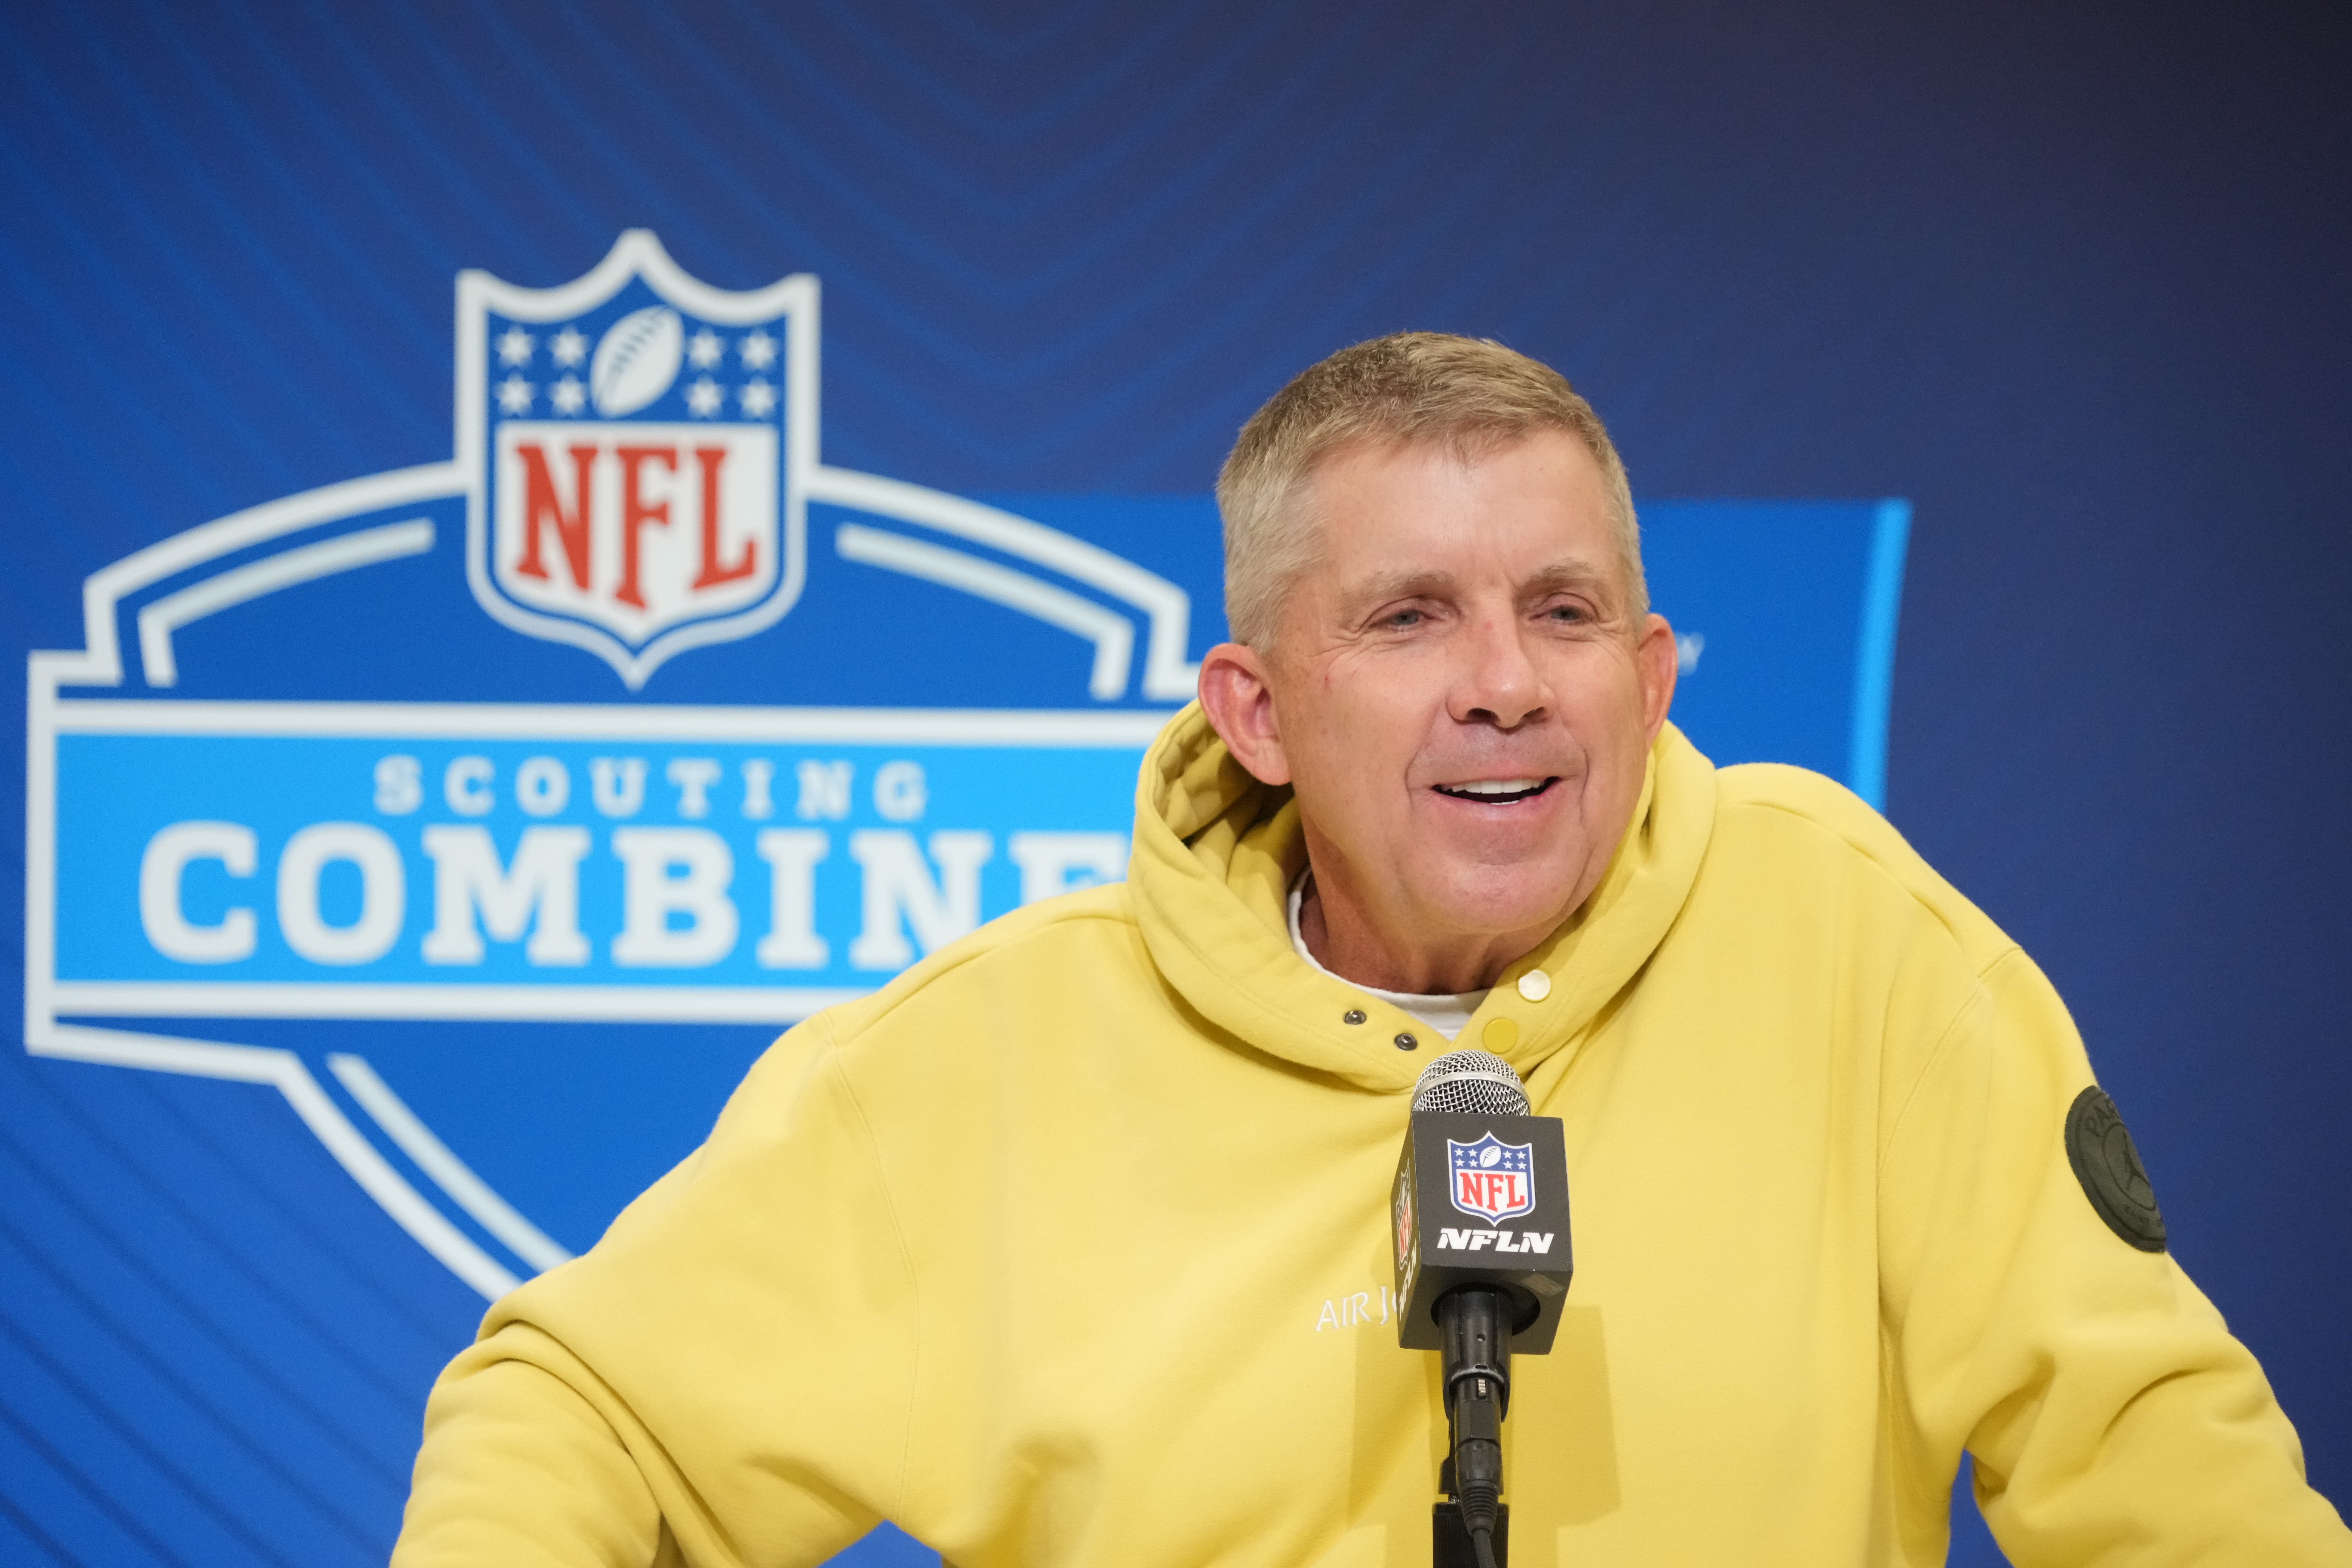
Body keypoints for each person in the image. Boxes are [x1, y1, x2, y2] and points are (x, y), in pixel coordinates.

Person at [394, 333, 2351, 1566]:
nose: (1506, 686)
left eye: (1566, 612)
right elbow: (588, 1405)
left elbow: (2155, 1455)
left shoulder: (1855, 946)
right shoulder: (991, 1057)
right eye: (1411, 619)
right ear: (1252, 710)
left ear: (1653, 678)